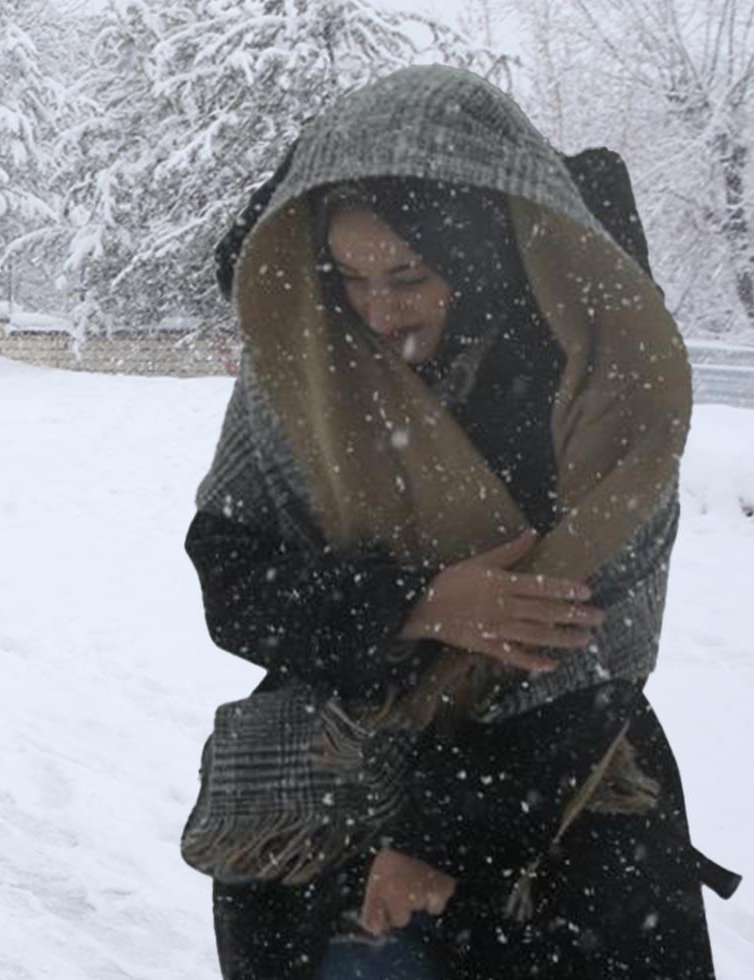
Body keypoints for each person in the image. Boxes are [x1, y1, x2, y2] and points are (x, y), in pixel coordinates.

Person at [183, 66, 736, 979]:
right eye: (351, 276)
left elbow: (603, 647)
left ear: (481, 250)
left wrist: (441, 837)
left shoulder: (599, 377)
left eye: (410, 274)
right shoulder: (309, 368)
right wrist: (419, 604)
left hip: (556, 800)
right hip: (331, 805)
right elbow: (233, 581)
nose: (380, 308)